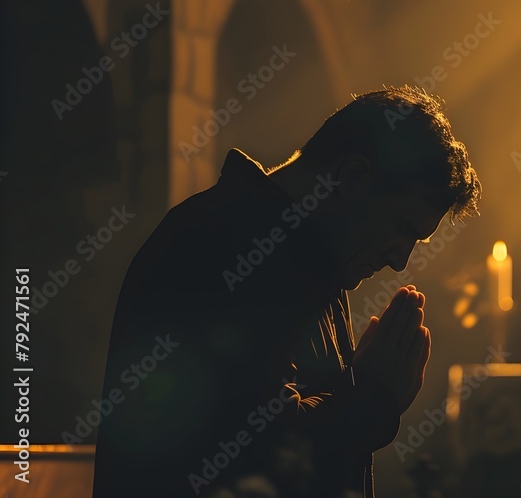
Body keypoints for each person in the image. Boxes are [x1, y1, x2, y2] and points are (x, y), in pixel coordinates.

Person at [92, 86, 482, 498]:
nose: (401, 261)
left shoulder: (310, 259)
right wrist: (374, 395)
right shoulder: (229, 245)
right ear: (351, 176)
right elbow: (257, 459)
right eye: (402, 228)